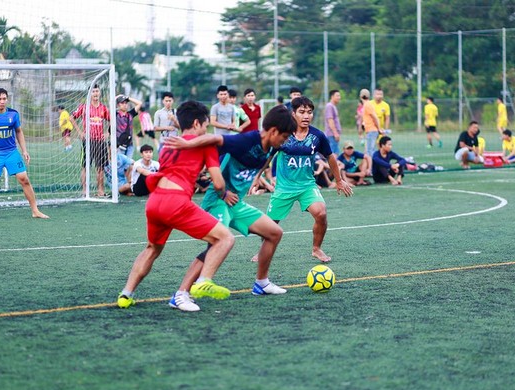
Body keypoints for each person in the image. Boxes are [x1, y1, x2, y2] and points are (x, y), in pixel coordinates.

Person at [163, 105, 298, 310]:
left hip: (236, 203)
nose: (285, 141)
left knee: (274, 233)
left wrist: (257, 177)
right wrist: (187, 144)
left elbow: (265, 161)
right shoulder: (247, 140)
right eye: (285, 137)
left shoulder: (272, 146)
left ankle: (261, 283)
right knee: (217, 243)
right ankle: (180, 294)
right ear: (273, 131)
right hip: (218, 200)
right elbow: (214, 139)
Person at [117, 100, 235, 309]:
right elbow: (218, 183)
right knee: (225, 238)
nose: (206, 131)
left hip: (155, 201)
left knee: (152, 248)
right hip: (176, 202)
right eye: (206, 126)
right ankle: (200, 283)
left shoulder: (169, 145)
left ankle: (125, 295)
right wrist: (224, 193)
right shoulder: (205, 144)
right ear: (197, 123)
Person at [265, 96, 353, 263]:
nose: (306, 116)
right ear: (293, 114)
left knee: (321, 213)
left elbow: (330, 157)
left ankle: (316, 249)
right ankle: (263, 251)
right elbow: (268, 157)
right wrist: (256, 177)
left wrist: (339, 180)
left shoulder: (317, 136)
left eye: (309, 112)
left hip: (307, 186)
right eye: (302, 112)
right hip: (284, 187)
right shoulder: (283, 134)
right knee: (270, 223)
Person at [0, 87, 49, 221]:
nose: (2, 101)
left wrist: (24, 150)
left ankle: (35, 210)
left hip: (11, 153)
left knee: (24, 179)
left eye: (4, 99)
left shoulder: (13, 114)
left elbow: (19, 131)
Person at [71, 84, 110, 197]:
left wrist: (108, 133)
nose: (95, 93)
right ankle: (85, 190)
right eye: (93, 91)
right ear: (89, 94)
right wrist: (80, 132)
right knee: (85, 166)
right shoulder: (84, 107)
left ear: (100, 93)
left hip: (100, 141)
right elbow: (71, 117)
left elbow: (112, 120)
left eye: (97, 91)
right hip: (88, 141)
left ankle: (100, 190)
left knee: (100, 167)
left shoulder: (103, 108)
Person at [115, 94, 142, 158]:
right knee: (120, 162)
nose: (124, 105)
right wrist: (117, 97)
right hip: (119, 145)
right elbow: (110, 104)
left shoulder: (130, 114)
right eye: (122, 103)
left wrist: (128, 98)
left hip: (129, 145)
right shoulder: (115, 114)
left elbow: (140, 103)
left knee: (129, 163)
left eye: (126, 103)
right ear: (118, 105)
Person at [360, 88, 381, 158]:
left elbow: (375, 118)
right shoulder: (368, 104)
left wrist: (379, 128)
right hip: (369, 130)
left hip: (372, 130)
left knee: (370, 151)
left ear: (360, 96)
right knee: (369, 151)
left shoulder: (367, 105)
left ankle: (372, 164)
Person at [324, 89, 342, 154]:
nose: (339, 97)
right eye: (337, 96)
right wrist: (335, 133)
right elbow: (330, 120)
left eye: (339, 96)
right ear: (332, 96)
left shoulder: (333, 106)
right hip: (331, 135)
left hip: (333, 135)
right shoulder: (329, 106)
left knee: (335, 153)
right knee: (333, 154)